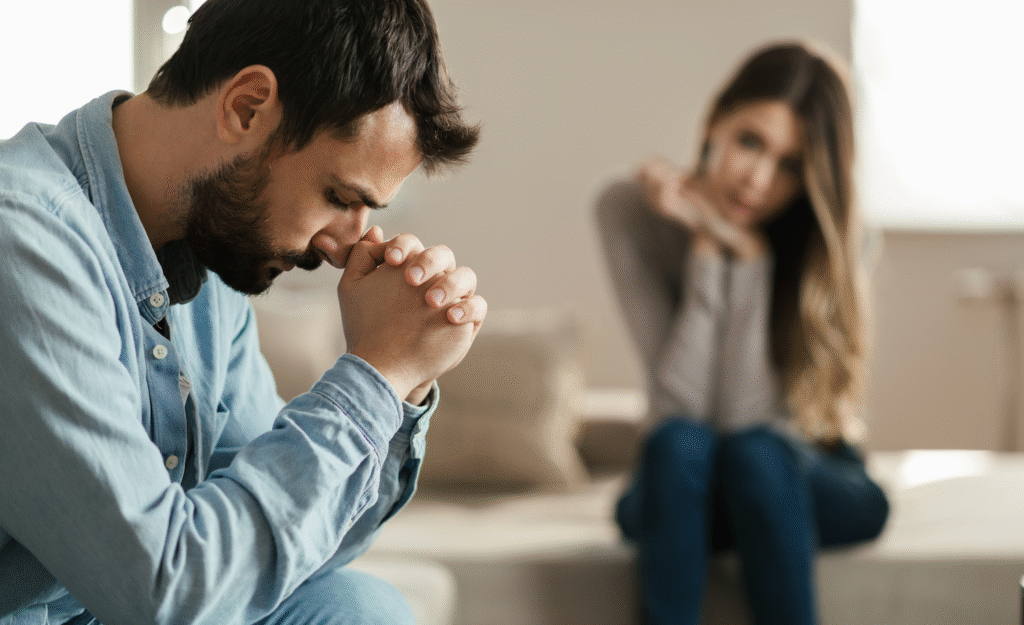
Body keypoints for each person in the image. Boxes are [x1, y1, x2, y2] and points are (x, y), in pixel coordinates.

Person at [0, 0, 485, 623]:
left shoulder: (207, 252)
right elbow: (167, 593)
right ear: (247, 108)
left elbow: (289, 551)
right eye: (339, 196)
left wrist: (401, 389)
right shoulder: (22, 240)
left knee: (357, 607)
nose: (346, 246)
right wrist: (374, 378)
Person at [594, 42, 890, 625]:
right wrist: (710, 252)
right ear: (715, 121)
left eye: (790, 166)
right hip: (683, 471)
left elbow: (745, 420)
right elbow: (682, 407)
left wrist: (749, 257)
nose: (758, 179)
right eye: (751, 141)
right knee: (679, 444)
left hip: (807, 468)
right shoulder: (629, 211)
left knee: (754, 453)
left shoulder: (838, 242)